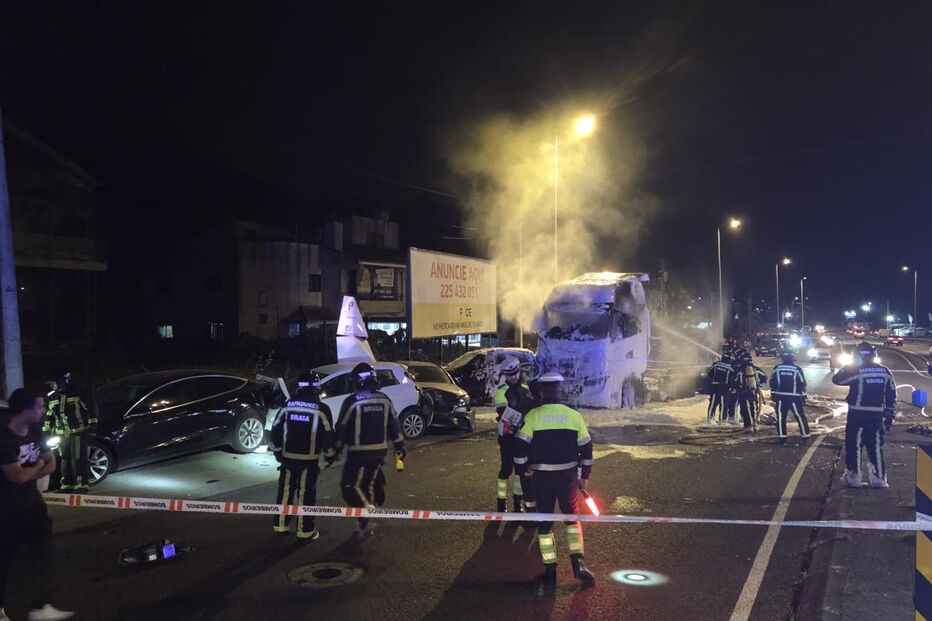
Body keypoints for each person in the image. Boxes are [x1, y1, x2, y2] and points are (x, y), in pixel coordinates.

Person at [513, 372, 595, 587]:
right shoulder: (573, 415)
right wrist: (584, 477)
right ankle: (579, 565)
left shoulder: (533, 416)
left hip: (542, 479)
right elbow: (587, 449)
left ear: (541, 392)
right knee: (572, 520)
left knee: (544, 524)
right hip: (568, 477)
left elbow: (519, 447)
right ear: (560, 390)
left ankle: (550, 571)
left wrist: (524, 469)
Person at [1, 389, 74, 621]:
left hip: (33, 504)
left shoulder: (35, 430)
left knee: (43, 553)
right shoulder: (4, 438)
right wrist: (38, 465)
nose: (43, 410)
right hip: (7, 509)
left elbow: (51, 463)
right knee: (4, 560)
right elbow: (17, 477)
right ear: (25, 410)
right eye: (39, 406)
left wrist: (31, 469)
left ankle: (40, 606)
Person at [334, 363, 406, 538]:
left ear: (357, 380)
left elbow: (342, 427)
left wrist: (335, 450)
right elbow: (394, 425)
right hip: (379, 452)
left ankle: (365, 513)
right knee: (367, 485)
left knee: (349, 486)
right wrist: (399, 447)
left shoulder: (352, 401)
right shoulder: (384, 399)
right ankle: (366, 520)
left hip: (358, 453)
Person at [268, 371, 336, 540]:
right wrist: (330, 455)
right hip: (309, 461)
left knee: (285, 491)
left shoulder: (288, 405)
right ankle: (305, 530)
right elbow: (328, 435)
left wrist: (277, 451)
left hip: (287, 458)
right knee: (306, 494)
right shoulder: (322, 409)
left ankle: (281, 525)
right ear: (317, 388)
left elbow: (275, 429)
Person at [832, 341, 897, 489]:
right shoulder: (885, 372)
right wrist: (889, 415)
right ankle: (878, 479)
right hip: (876, 415)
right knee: (875, 447)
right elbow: (891, 395)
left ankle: (853, 478)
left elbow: (837, 379)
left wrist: (849, 365)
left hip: (857, 415)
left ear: (857, 356)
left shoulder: (856, 371)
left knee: (854, 445)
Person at [493, 357, 535, 513]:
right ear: (504, 374)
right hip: (507, 438)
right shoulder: (501, 391)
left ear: (519, 371)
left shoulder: (527, 389)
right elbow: (504, 414)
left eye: (515, 373)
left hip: (523, 438)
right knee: (505, 469)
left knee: (520, 471)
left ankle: (518, 502)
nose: (513, 377)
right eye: (509, 374)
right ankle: (501, 501)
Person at [45, 370, 95, 493]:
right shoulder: (52, 396)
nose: (52, 385)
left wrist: (93, 424)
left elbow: (91, 407)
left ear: (61, 381)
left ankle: (82, 485)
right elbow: (49, 415)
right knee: (65, 459)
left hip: (78, 432)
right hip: (62, 433)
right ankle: (67, 485)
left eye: (53, 383)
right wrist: (46, 430)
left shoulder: (78, 392)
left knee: (77, 459)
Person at [769, 351, 811, 442]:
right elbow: (802, 383)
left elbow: (772, 382)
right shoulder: (797, 369)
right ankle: (805, 436)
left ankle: (782, 437)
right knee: (800, 416)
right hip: (794, 398)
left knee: (781, 418)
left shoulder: (777, 368)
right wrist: (803, 397)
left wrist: (773, 395)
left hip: (780, 397)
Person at [735, 351, 768, 431]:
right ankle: (755, 425)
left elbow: (734, 380)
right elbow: (764, 376)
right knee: (754, 408)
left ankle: (748, 426)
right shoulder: (755, 369)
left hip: (743, 392)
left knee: (745, 409)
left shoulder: (739, 370)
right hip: (753, 392)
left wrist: (736, 389)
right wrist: (759, 385)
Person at [706, 353, 737, 425]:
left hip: (715, 387)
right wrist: (732, 388)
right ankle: (723, 420)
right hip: (725, 388)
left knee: (713, 403)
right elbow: (732, 380)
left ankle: (710, 418)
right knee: (724, 404)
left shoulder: (715, 365)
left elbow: (709, 374)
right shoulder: (731, 368)